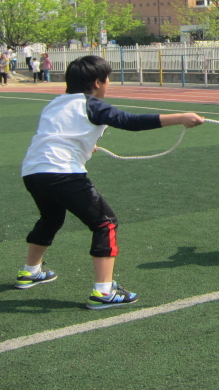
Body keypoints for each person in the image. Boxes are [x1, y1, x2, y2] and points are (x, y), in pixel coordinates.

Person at [16, 55, 205, 309]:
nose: (109, 83)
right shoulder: (92, 104)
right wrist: (180, 117)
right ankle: (104, 292)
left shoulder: (55, 103)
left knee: (51, 218)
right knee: (105, 223)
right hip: (62, 172)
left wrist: (85, 147)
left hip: (33, 171)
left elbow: (60, 135)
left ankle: (30, 271)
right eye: (108, 79)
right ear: (97, 82)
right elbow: (130, 122)